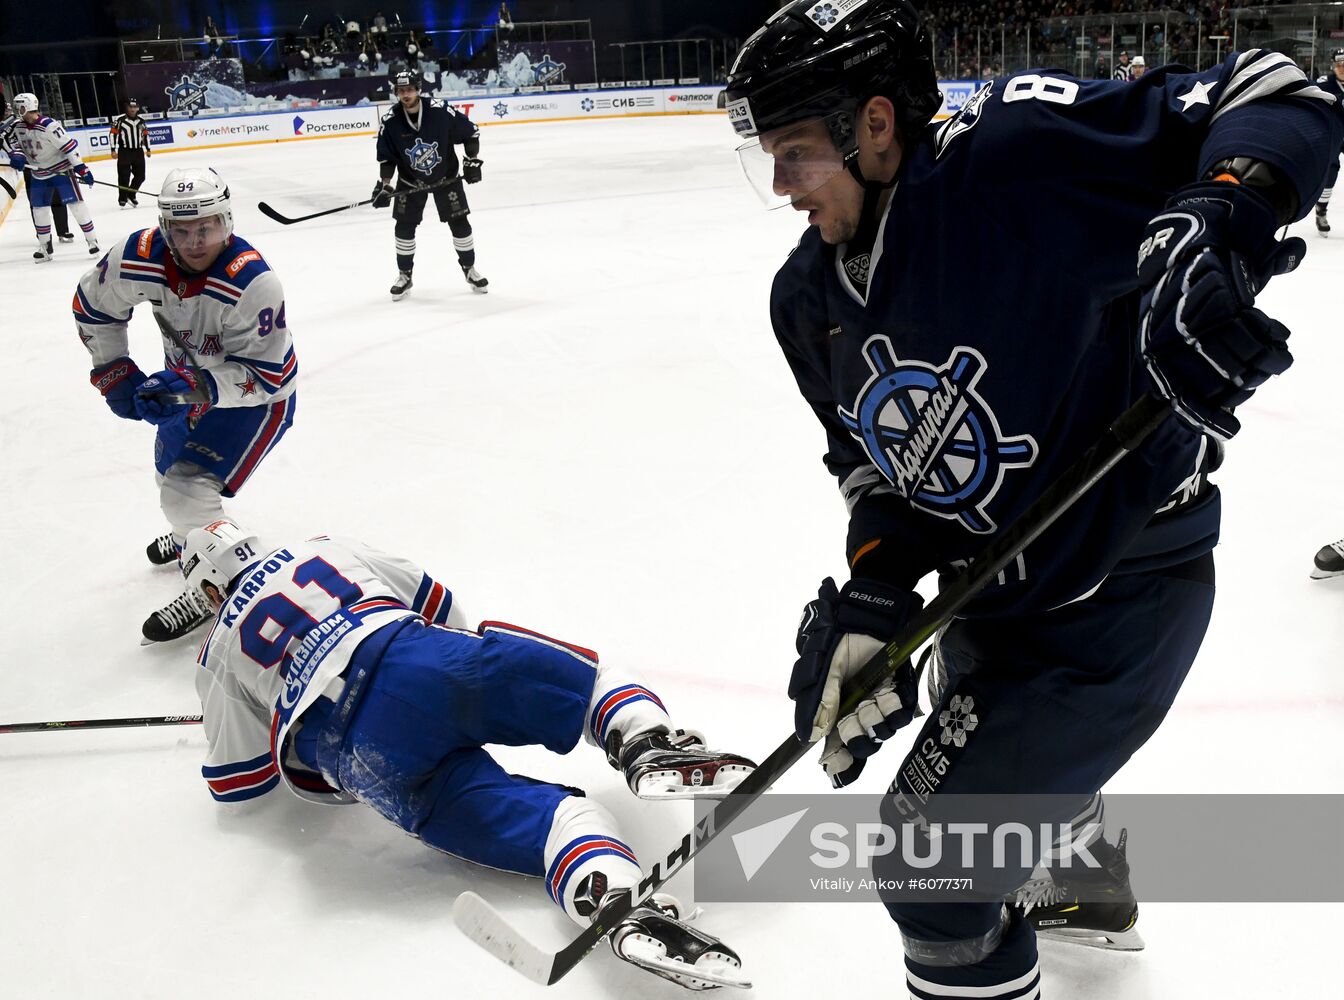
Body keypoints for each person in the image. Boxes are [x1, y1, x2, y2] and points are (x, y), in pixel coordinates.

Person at [724, 2, 1339, 997]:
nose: (783, 186)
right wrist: (878, 591)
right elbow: (873, 469)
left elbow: (1271, 90)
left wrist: (1224, 217)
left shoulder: (1012, 158)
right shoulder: (805, 302)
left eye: (796, 152)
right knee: (981, 773)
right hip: (991, 598)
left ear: (874, 123)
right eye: (770, 159)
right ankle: (1080, 891)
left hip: (1119, 594)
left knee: (931, 866)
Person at [182, 519, 754, 990]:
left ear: (210, 588)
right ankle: (645, 742)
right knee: (590, 686)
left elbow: (239, 783)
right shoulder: (320, 546)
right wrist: (457, 688)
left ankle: (613, 896)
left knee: (561, 824)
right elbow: (437, 601)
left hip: (361, 761)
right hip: (417, 660)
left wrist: (265, 700)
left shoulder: (217, 650)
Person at [73, 167, 297, 644]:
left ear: (226, 221)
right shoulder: (139, 255)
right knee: (166, 473)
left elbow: (269, 377)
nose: (195, 243)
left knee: (185, 491)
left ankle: (225, 586)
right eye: (182, 230)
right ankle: (191, 539)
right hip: (186, 387)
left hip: (254, 401)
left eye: (207, 228)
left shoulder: (252, 282)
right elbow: (93, 304)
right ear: (164, 227)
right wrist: (113, 367)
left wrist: (194, 385)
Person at [372, 68, 488, 299]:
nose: (406, 94)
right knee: (403, 227)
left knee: (459, 222)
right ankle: (405, 275)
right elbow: (387, 158)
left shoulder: (440, 110)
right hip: (410, 181)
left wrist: (472, 161)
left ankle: (469, 269)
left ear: (418, 89)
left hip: (446, 177)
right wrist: (384, 186)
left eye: (410, 89)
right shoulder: (390, 121)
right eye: (401, 91)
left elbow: (470, 133)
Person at [6, 92, 97, 261]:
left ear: (27, 106)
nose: (17, 109)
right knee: (39, 210)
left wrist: (81, 168)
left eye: (20, 106)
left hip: (60, 171)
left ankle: (92, 241)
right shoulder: (18, 126)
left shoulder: (49, 126)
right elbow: (14, 144)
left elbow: (69, 147)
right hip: (39, 174)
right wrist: (17, 155)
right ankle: (45, 247)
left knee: (76, 205)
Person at [1313, 49, 1344, 235]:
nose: (1341, 68)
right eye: (1338, 65)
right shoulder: (1324, 84)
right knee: (1331, 171)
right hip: (1332, 134)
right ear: (1333, 66)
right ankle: (1321, 210)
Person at [110, 98, 151, 208]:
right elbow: (113, 134)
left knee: (140, 176)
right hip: (124, 151)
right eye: (130, 107)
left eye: (135, 107)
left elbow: (145, 135)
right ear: (127, 107)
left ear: (138, 108)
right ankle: (122, 198)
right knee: (124, 176)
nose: (132, 109)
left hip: (138, 151)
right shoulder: (120, 120)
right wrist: (113, 149)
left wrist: (148, 149)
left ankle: (131, 194)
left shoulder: (141, 121)